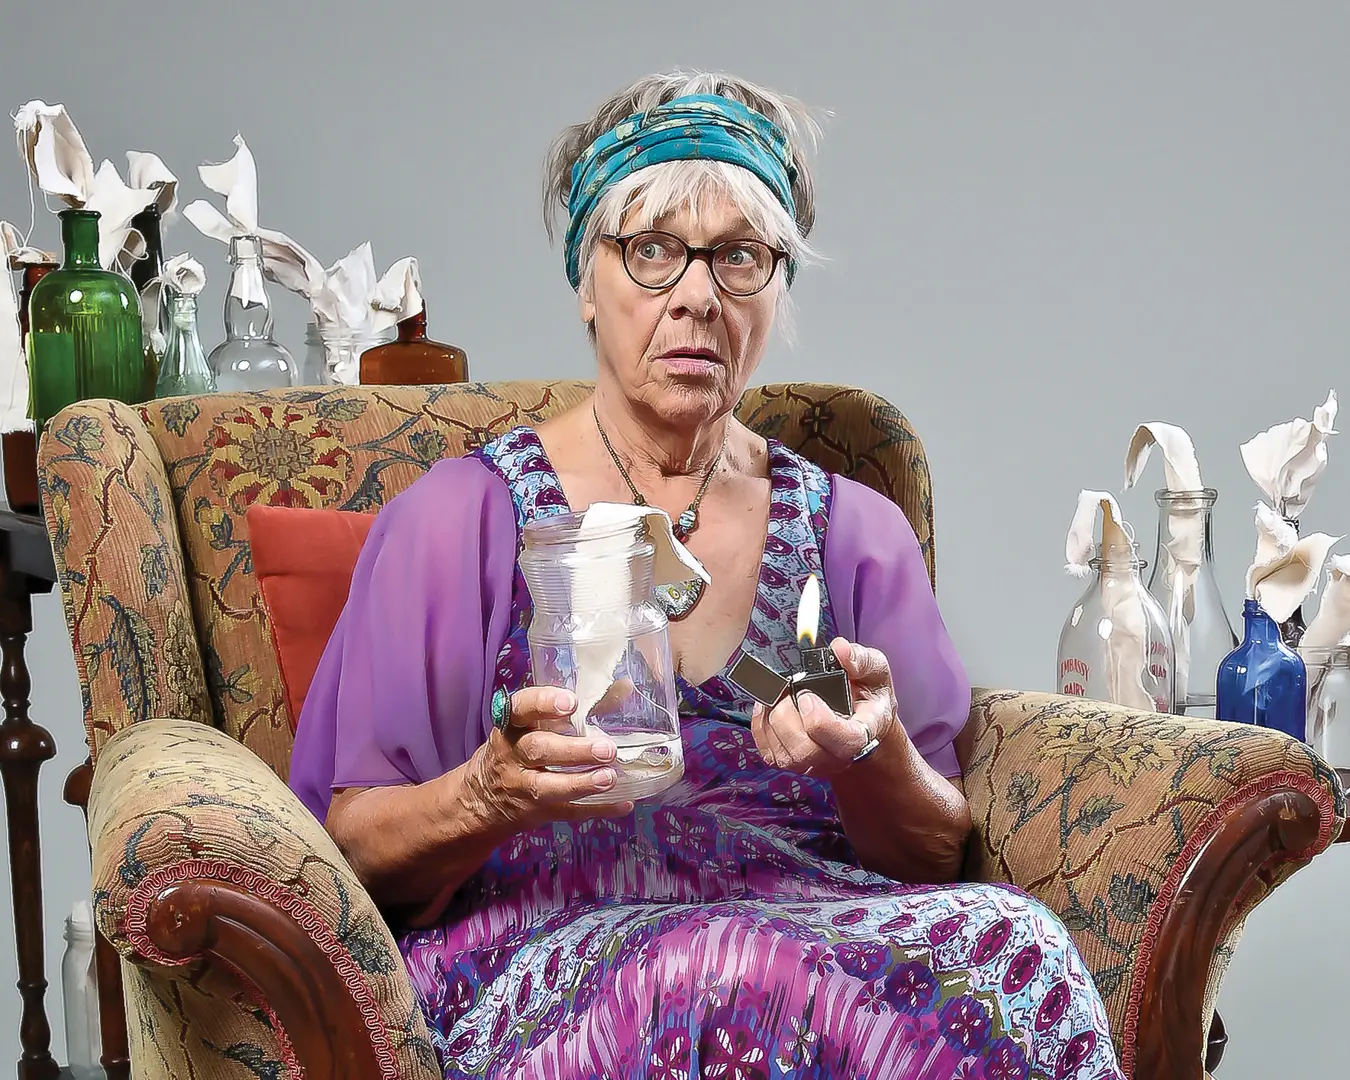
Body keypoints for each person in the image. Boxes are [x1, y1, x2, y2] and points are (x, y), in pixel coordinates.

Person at [290, 70, 1123, 1080]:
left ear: (776, 290)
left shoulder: (851, 532)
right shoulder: (462, 522)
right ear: (586, 284)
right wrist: (491, 795)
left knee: (1017, 941)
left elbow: (933, 855)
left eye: (738, 257)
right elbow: (351, 855)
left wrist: (873, 756)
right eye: (651, 252)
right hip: (543, 957)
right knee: (730, 970)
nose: (695, 294)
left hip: (819, 937)